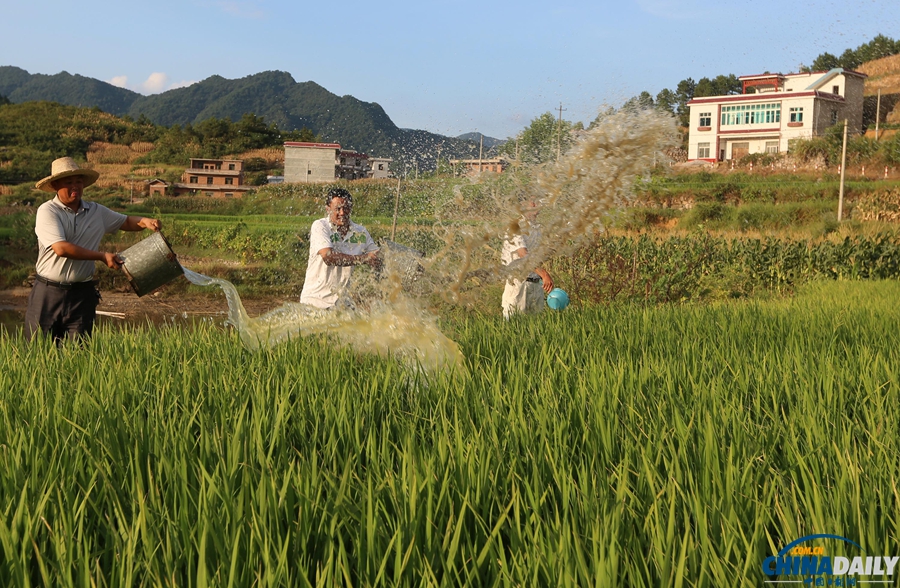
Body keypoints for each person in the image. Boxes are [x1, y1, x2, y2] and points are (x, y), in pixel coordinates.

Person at [25, 157, 162, 343]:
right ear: (56, 185)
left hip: (82, 295)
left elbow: (126, 221)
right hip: (48, 293)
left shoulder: (96, 211)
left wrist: (145, 222)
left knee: (78, 354)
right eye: (69, 182)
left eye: (79, 181)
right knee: (37, 351)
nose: (76, 186)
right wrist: (101, 256)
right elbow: (61, 248)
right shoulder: (48, 211)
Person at [300, 187, 380, 309]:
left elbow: (377, 256)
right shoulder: (320, 226)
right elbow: (329, 257)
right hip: (315, 302)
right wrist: (364, 258)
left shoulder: (360, 233)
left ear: (351, 208)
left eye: (346, 208)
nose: (342, 213)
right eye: (337, 209)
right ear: (328, 209)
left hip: (343, 304)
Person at [501, 204, 554, 319]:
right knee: (514, 329)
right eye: (533, 202)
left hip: (536, 285)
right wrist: (544, 274)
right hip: (518, 286)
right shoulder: (515, 227)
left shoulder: (537, 228)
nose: (537, 205)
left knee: (536, 331)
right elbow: (523, 254)